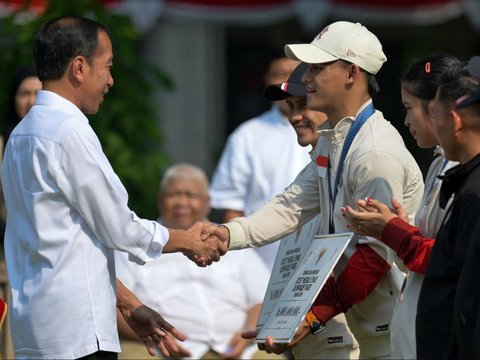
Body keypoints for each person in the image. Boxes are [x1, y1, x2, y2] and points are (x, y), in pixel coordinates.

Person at [1, 15, 225, 359]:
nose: (110, 80)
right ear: (79, 67)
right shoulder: (68, 131)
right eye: (106, 67)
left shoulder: (22, 134)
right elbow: (119, 228)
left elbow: (68, 238)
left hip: (38, 328)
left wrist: (127, 302)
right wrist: (188, 240)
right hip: (77, 332)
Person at [200, 21, 424, 359]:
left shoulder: (374, 151)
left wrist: (307, 318)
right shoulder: (335, 141)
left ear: (351, 73)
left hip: (391, 335)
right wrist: (226, 234)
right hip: (367, 328)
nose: (306, 78)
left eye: (318, 68)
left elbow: (373, 256)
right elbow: (290, 205)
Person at [340, 53, 459, 359]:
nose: (406, 120)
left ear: (437, 108)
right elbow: (420, 256)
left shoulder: (468, 176)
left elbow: (449, 260)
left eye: (409, 108)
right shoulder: (439, 165)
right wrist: (401, 228)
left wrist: (391, 230)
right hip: (418, 333)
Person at [115, 163, 275, 360]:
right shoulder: (138, 243)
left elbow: (262, 297)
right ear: (160, 200)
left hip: (236, 349)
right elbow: (116, 303)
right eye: (174, 194)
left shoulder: (229, 239)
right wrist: (156, 337)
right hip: (158, 349)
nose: (182, 202)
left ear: (207, 203)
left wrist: (248, 333)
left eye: (191, 195)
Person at [264, 62, 359, 359]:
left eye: (303, 104)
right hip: (304, 330)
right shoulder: (318, 164)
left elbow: (373, 259)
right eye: (290, 106)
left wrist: (312, 317)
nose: (295, 116)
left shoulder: (363, 158)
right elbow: (281, 213)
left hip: (347, 332)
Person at [209, 52, 311, 270]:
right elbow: (232, 206)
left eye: (292, 75)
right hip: (262, 262)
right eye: (278, 74)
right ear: (267, 80)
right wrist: (244, 267)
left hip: (319, 259)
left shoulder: (329, 130)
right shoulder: (246, 136)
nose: (285, 82)